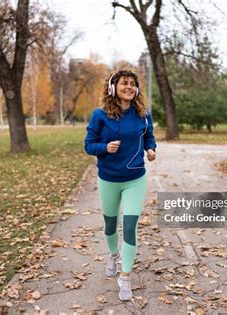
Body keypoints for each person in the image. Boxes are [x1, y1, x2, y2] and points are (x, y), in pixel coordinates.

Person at [84, 70, 157, 301]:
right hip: (108, 178)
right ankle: (113, 255)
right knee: (110, 224)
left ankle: (125, 278)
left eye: (133, 84)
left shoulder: (143, 114)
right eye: (124, 83)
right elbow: (89, 145)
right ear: (112, 87)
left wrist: (151, 149)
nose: (129, 87)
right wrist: (105, 148)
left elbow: (148, 137)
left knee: (130, 227)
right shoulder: (100, 115)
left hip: (135, 178)